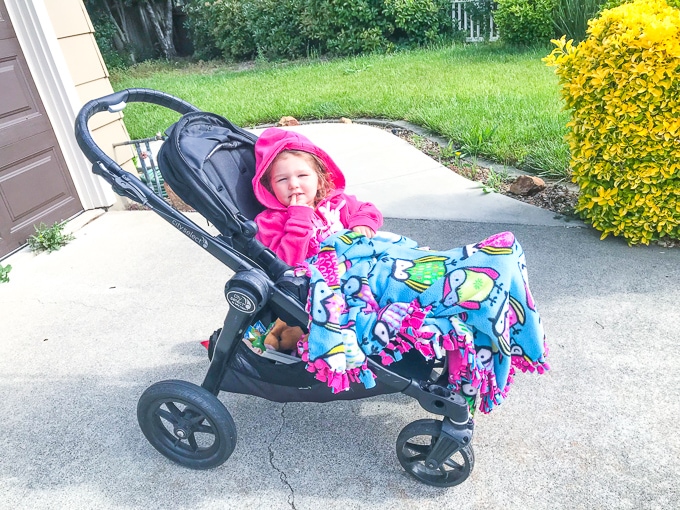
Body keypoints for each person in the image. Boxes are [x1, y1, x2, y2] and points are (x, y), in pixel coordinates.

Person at [251, 127, 383, 351]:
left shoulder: (336, 203)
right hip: (323, 288)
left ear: (320, 181)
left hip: (364, 268)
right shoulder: (270, 221)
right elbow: (284, 264)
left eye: (302, 176)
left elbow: (367, 209)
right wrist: (299, 219)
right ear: (270, 189)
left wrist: (362, 222)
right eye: (282, 179)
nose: (293, 184)